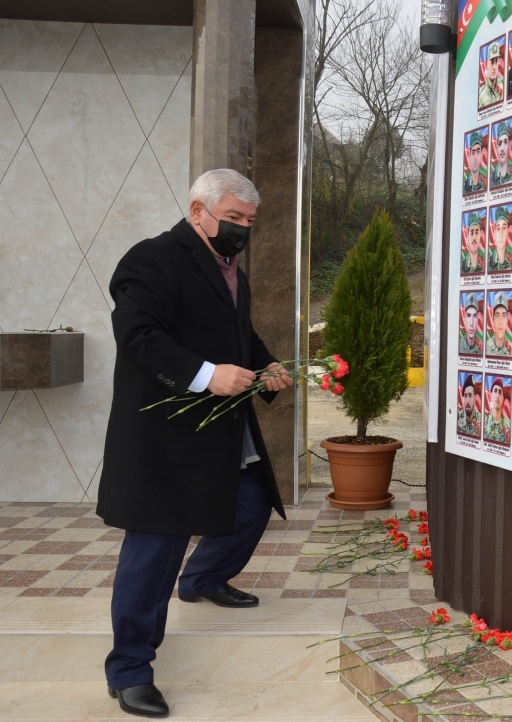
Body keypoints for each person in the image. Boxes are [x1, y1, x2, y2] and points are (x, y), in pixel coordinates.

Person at [97, 169, 294, 718]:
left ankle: (203, 578)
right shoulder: (152, 258)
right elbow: (138, 336)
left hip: (222, 427)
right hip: (166, 434)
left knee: (252, 503)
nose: (241, 229)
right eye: (232, 217)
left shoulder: (231, 270)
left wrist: (265, 365)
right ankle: (129, 670)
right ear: (197, 211)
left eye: (249, 221)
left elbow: (238, 334)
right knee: (155, 549)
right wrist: (206, 375)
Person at [484, 378, 510, 443]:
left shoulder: (508, 428)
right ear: (491, 395)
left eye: (500, 392)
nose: (497, 396)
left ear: (503, 399)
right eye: (495, 391)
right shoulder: (483, 423)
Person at [491, 122, 512, 187]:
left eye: (505, 142)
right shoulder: (490, 178)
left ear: (509, 145)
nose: (502, 148)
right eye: (499, 144)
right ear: (496, 147)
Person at [479, 42, 504, 108]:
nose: (494, 67)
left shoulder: (504, 83)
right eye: (492, 63)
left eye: (496, 62)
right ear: (487, 64)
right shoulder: (481, 95)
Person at [489, 207, 512, 272]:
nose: (501, 234)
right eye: (498, 228)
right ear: (494, 232)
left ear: (508, 231)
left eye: (504, 228)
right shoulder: (488, 263)